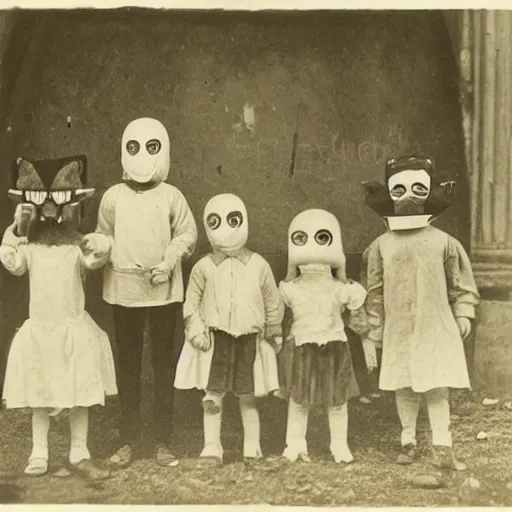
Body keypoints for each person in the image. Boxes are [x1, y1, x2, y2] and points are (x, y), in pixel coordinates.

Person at [0, 155, 117, 480]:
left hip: (72, 331)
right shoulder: (31, 250)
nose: (51, 217)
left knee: (78, 394)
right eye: (42, 209)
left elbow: (96, 259)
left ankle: (79, 451)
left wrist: (98, 241)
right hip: (41, 333)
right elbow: (11, 260)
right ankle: (39, 452)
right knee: (41, 394)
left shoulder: (74, 250)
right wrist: (15, 229)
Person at [361, 155, 479, 470]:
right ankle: (408, 440)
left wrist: (463, 312)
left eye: (418, 188)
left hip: (434, 325)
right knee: (405, 384)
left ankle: (443, 445)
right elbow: (374, 290)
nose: (410, 197)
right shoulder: (381, 246)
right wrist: (375, 328)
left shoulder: (444, 242)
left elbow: (460, 283)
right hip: (398, 327)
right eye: (400, 190)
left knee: (437, 385)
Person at [95, 118, 198, 468]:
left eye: (152, 147)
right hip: (124, 292)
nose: (142, 155)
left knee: (162, 365)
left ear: (164, 149)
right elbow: (104, 236)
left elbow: (187, 235)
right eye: (135, 147)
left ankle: (163, 440)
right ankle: (128, 439)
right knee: (128, 366)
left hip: (164, 293)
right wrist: (96, 250)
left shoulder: (172, 196)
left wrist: (168, 262)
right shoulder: (112, 197)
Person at [174, 193, 283, 465]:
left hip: (249, 341)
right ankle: (212, 448)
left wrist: (274, 328)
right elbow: (192, 303)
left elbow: (272, 300)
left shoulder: (259, 264)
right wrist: (196, 330)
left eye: (233, 220)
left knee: (248, 396)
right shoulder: (203, 266)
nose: (226, 229)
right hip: (215, 341)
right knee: (212, 397)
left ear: (243, 220)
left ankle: (252, 448)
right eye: (216, 222)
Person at [277, 209, 374, 464]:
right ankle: (295, 444)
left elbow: (356, 303)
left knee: (337, 400)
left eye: (322, 239)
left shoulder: (340, 288)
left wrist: (341, 273)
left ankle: (339, 445)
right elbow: (280, 302)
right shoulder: (291, 288)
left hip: (334, 347)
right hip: (302, 346)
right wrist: (290, 270)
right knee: (299, 398)